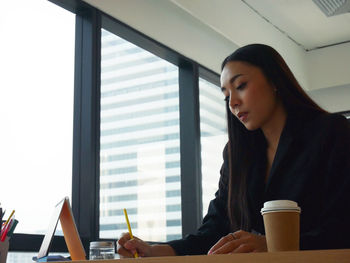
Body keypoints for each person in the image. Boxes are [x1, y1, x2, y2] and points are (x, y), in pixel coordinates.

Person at [117, 44, 350, 257]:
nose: (233, 103)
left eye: (240, 86)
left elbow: (342, 226)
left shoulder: (331, 132)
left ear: (274, 81)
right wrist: (154, 250)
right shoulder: (236, 154)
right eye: (226, 96)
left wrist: (272, 244)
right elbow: (214, 232)